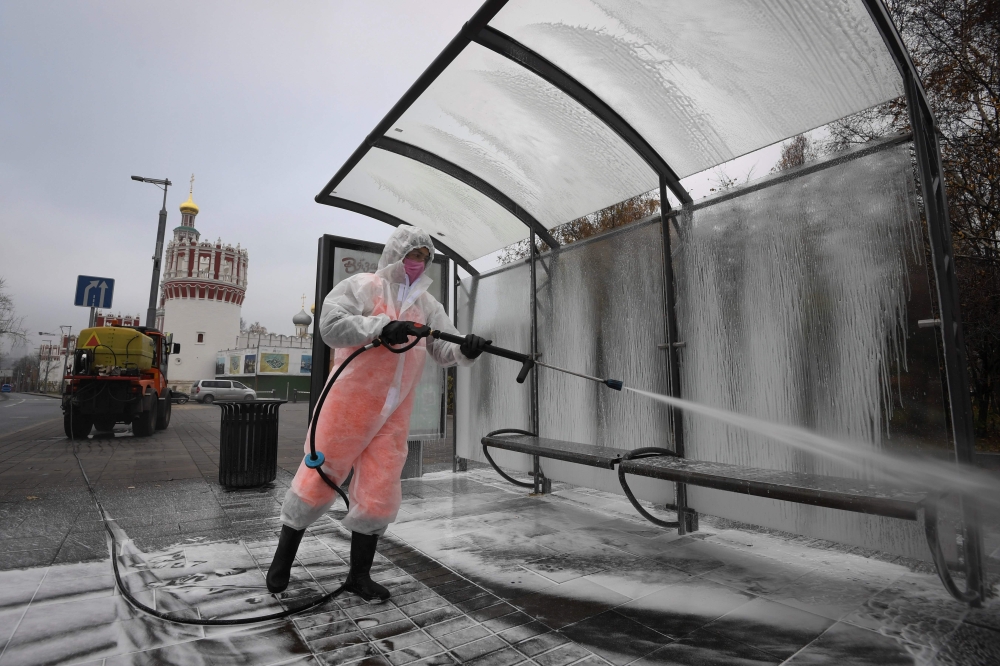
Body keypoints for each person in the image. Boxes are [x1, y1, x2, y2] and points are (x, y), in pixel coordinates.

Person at [267, 226, 489, 602]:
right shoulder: (363, 287)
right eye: (412, 255)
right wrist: (381, 327)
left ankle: (359, 576)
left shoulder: (429, 306)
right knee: (317, 478)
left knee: (379, 488)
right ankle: (282, 563)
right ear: (396, 255)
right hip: (348, 406)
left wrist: (467, 348)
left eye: (424, 257)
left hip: (393, 415)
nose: (417, 263)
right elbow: (330, 326)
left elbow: (443, 351)